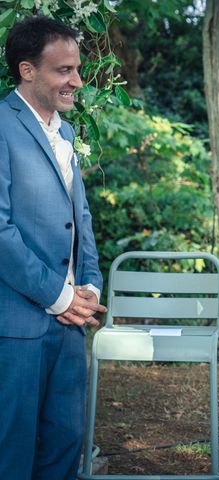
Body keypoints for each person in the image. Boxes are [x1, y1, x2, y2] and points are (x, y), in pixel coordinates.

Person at [0, 16, 107, 480]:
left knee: (65, 441)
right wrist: (58, 297)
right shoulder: (2, 125)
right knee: (12, 448)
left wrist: (89, 285)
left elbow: (79, 218)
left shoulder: (65, 133)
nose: (77, 81)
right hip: (17, 322)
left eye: (77, 69)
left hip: (69, 324)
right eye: (64, 70)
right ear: (27, 70)